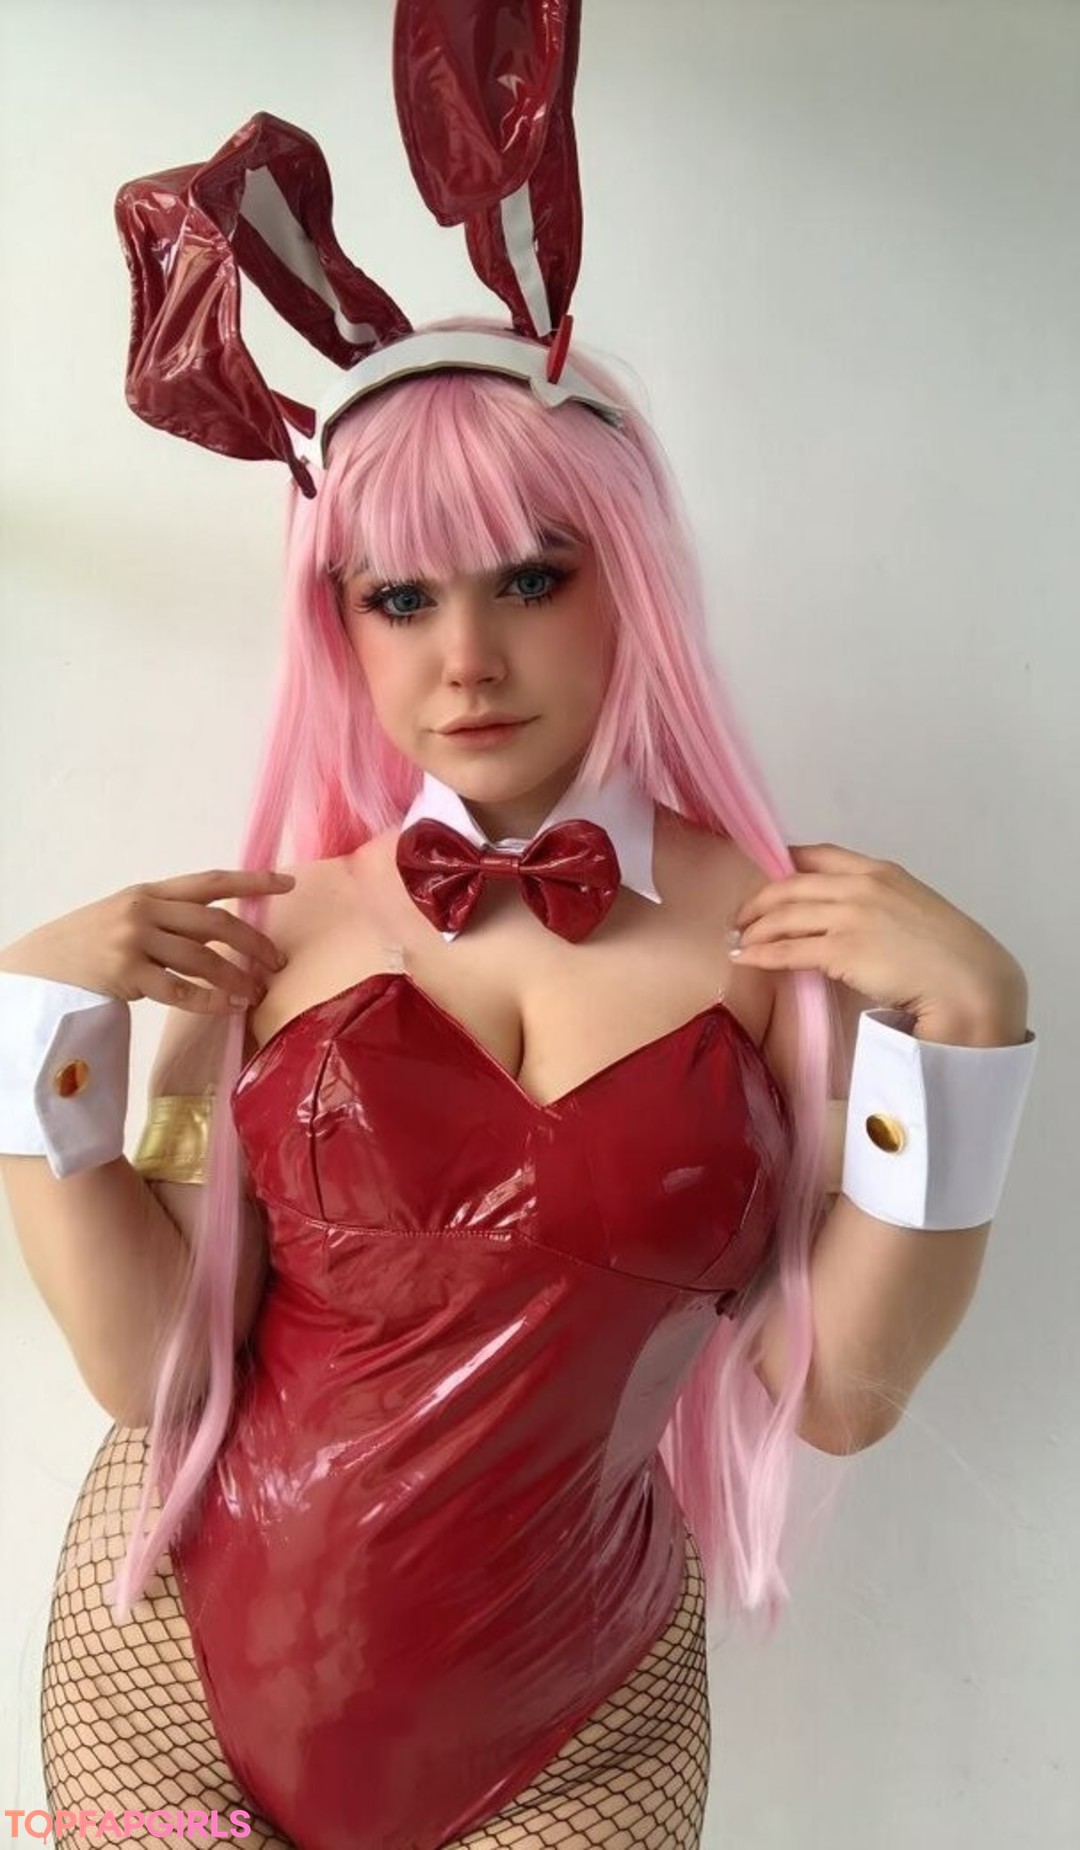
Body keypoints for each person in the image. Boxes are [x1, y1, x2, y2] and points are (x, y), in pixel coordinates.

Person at [0, 17, 1038, 1850]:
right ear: (338, 625)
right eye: (398, 597)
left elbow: (841, 1393)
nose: (465, 657)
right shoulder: (271, 936)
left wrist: (971, 1034)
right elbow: (149, 1363)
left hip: (582, 1712)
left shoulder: (779, 940)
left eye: (530, 578)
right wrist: (32, 1037)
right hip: (175, 1666)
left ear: (626, 579)